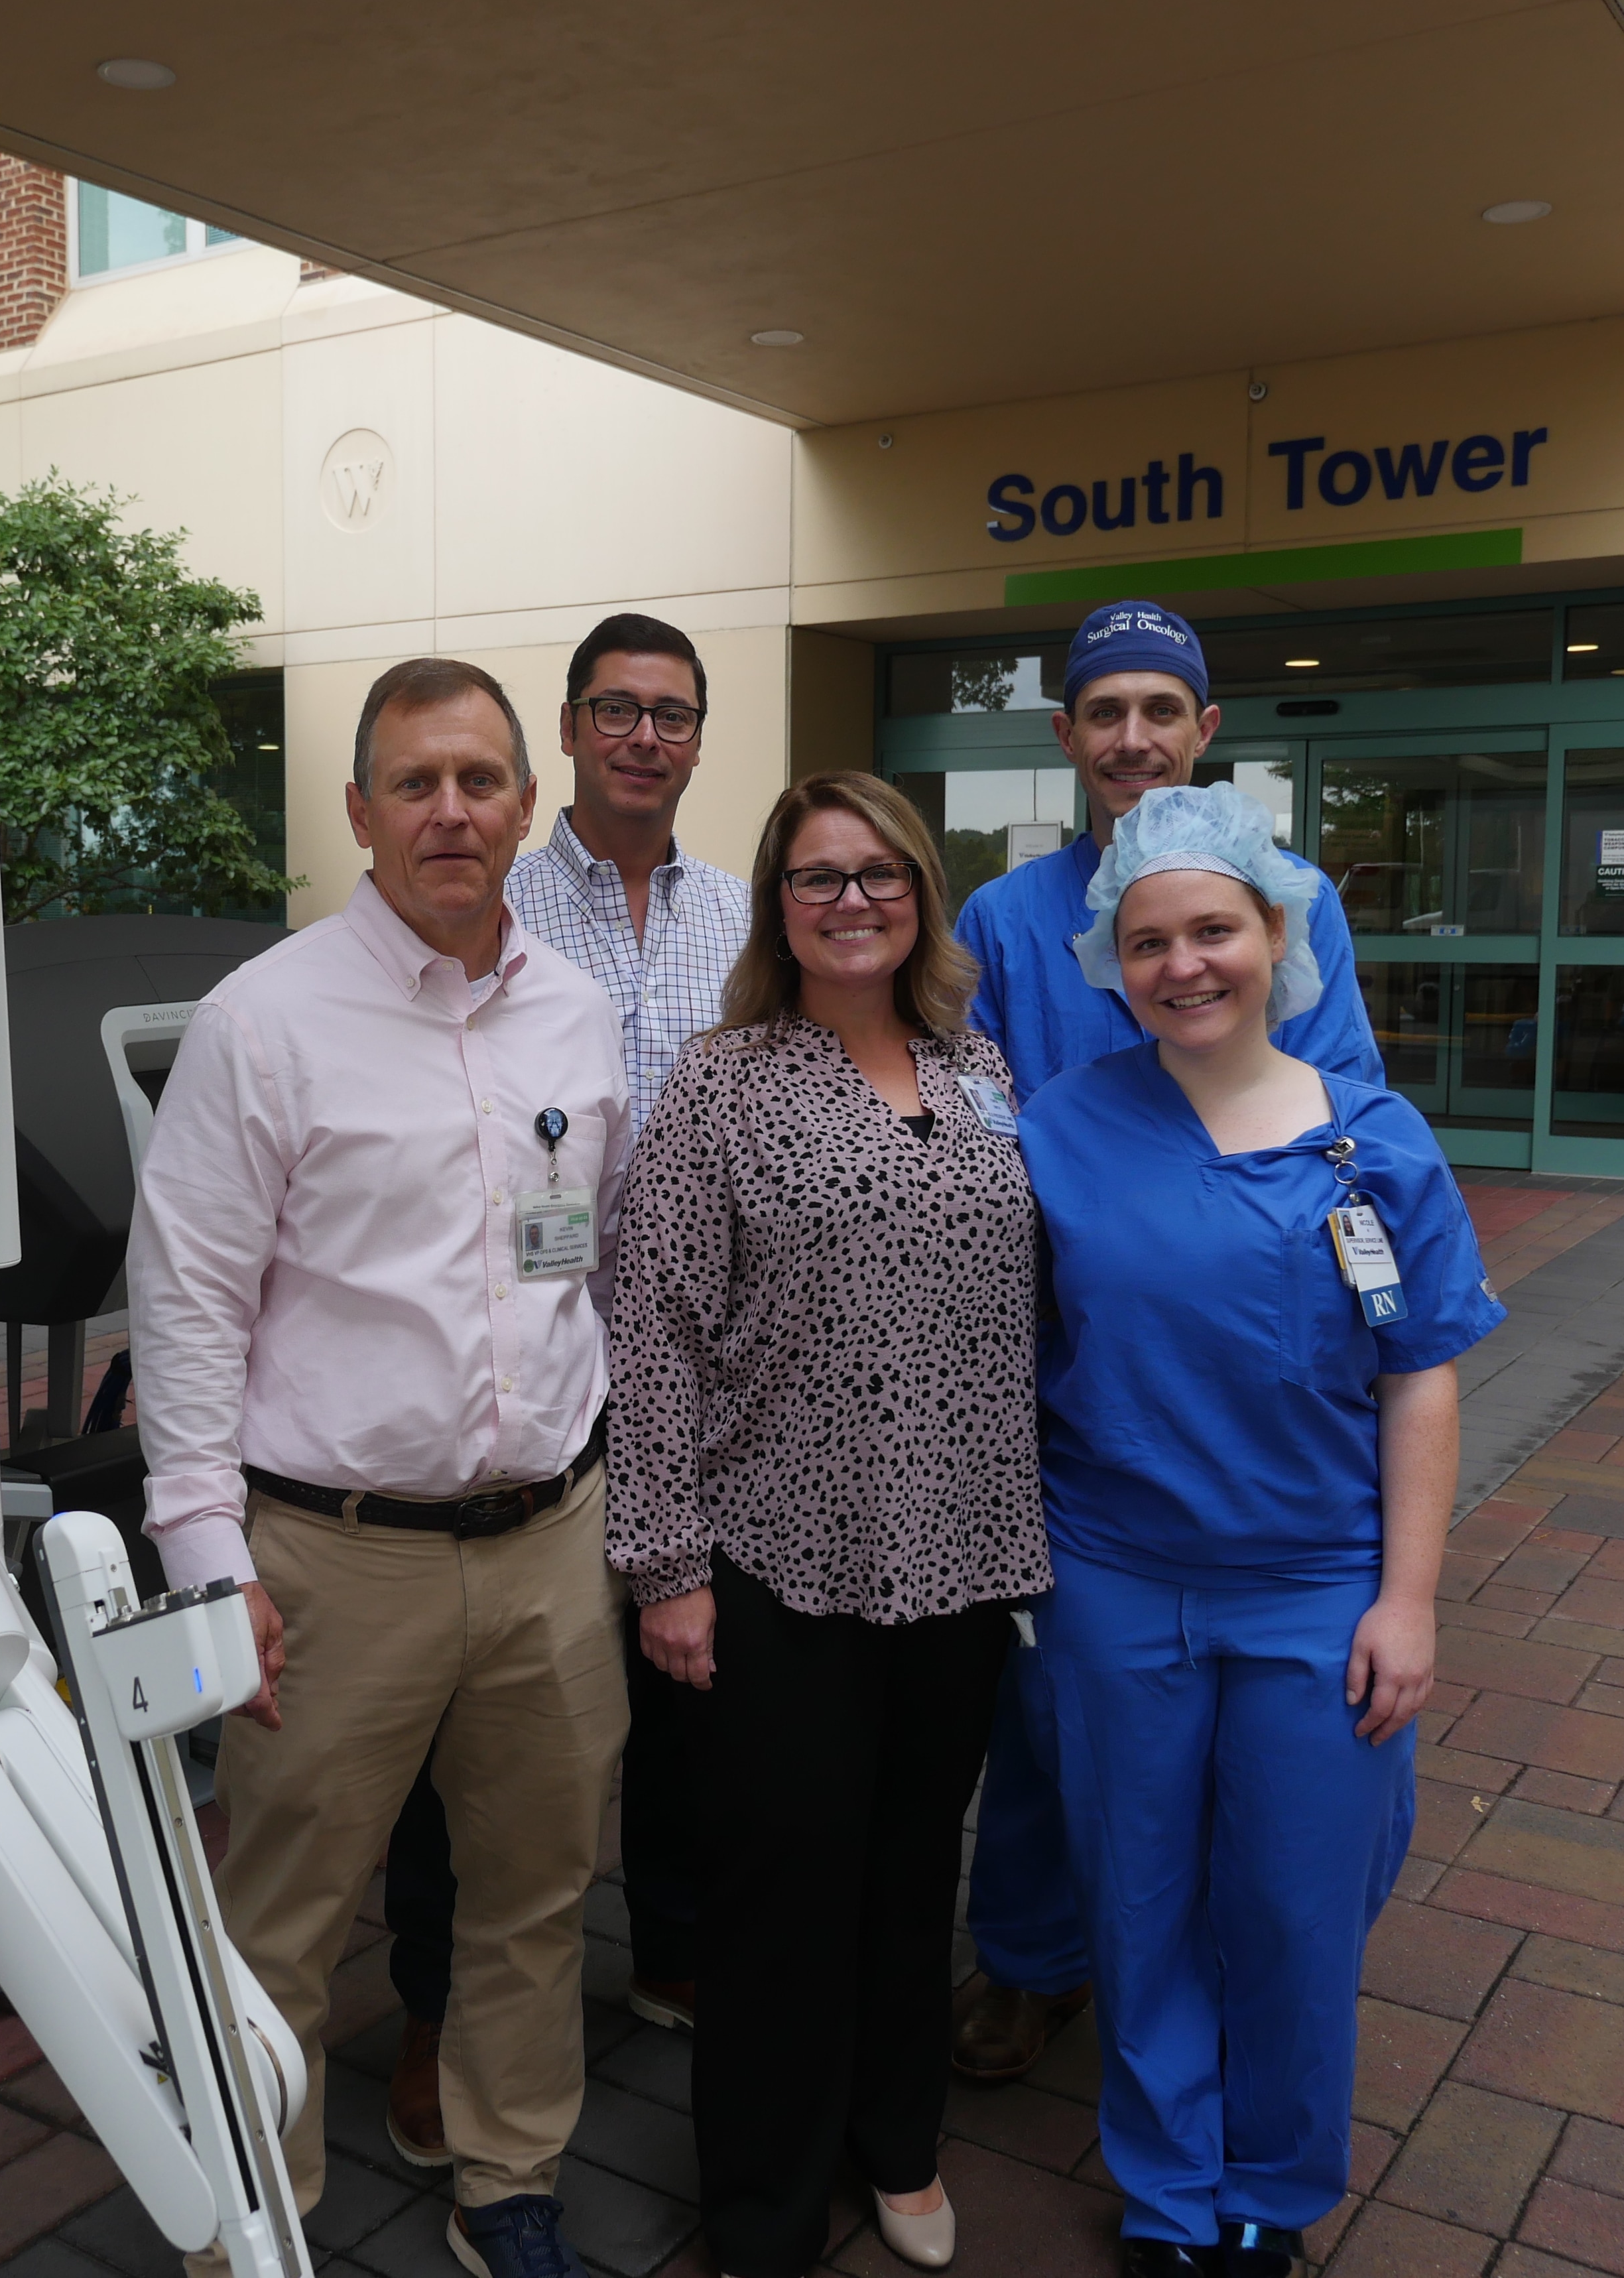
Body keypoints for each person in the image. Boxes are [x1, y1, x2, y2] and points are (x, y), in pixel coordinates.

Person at [126, 657, 634, 2278]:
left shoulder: (577, 1007)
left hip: (552, 1538)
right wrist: (209, 1561)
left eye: (480, 780)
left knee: (534, 1896)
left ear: (526, 806)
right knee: (282, 1916)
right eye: (414, 783)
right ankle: (252, 2225)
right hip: (330, 1558)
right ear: (358, 813)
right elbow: (189, 1301)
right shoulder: (263, 1023)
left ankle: (510, 2178)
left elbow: (593, 1262)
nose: (450, 811)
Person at [1016, 782, 1500, 2275]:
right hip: (1116, 1583)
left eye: (1213, 929)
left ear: (1275, 932)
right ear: (1115, 959)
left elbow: (1421, 1377)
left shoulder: (1378, 1141)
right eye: (1150, 940)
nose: (1185, 964)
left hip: (1314, 1591)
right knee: (1141, 1899)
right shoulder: (1060, 1131)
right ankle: (1170, 2195)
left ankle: (1270, 2192)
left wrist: (1406, 1601)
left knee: (1297, 1906)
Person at [608, 771, 1048, 2278]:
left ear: (922, 892)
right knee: (782, 1896)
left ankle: (898, 2142)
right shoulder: (724, 1082)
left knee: (919, 1868)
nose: (851, 900)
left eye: (880, 874)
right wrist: (665, 1566)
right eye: (817, 877)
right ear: (776, 904)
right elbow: (650, 1323)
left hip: (966, 1558)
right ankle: (767, 2207)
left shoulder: (978, 1065)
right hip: (781, 1562)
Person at [946, 600, 1384, 2086]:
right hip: (1056, 1385)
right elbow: (957, 1126)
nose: (1132, 735)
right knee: (1043, 1708)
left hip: (1251, 1400)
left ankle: (1214, 1982)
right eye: (1102, 711)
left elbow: (1350, 1144)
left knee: (1252, 1739)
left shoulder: (1295, 898)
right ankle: (1029, 1956)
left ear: (1207, 728)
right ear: (1067, 737)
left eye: (1161, 708)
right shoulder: (1007, 923)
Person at [379, 613, 755, 2164]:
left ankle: (668, 1944)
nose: (645, 739)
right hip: (528, 1367)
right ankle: (430, 2015)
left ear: (696, 736)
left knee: (685, 1683)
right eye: (617, 711)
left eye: (672, 715)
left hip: (717, 1370)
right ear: (570, 736)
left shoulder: (748, 912)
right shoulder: (490, 897)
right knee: (474, 1717)